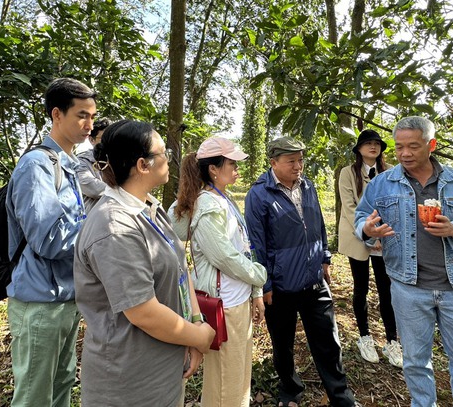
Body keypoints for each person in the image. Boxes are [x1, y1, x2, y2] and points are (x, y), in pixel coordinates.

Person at [73, 120, 215, 407]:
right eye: (164, 153)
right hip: (130, 383)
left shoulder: (149, 208)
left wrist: (195, 321)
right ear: (143, 165)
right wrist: (199, 337)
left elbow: (179, 268)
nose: (169, 160)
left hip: (163, 368)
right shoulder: (115, 228)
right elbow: (143, 312)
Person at [355, 116, 453, 407]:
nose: (405, 154)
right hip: (408, 287)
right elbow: (362, 217)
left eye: (413, 146)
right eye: (399, 147)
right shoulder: (383, 184)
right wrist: (367, 230)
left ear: (431, 145)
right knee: (416, 362)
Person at [245, 137, 358, 407]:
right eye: (291, 161)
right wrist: (266, 285)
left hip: (314, 281)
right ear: (273, 163)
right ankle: (290, 390)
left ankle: (341, 398)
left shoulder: (308, 186)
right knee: (282, 344)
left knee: (328, 342)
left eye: (300, 160)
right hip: (281, 286)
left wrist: (325, 257)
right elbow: (256, 245)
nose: (298, 166)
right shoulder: (259, 194)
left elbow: (318, 223)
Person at [5, 77, 97, 406]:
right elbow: (49, 240)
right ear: (57, 115)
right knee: (34, 396)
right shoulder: (36, 166)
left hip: (66, 299)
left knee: (60, 387)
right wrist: (101, 235)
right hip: (40, 303)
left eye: (92, 116)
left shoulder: (66, 165)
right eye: (81, 115)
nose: (89, 124)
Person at [168, 137, 267, 407]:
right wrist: (259, 276)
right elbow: (223, 255)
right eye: (231, 163)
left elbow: (243, 246)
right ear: (213, 168)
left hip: (236, 299)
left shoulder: (224, 199)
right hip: (225, 304)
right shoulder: (209, 205)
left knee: (236, 377)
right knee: (227, 382)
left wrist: (256, 291)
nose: (237, 168)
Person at [338, 129, 402, 368]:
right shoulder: (347, 173)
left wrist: (381, 232)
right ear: (359, 149)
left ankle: (391, 340)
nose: (373, 147)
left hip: (384, 237)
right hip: (358, 236)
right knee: (361, 286)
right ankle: (365, 336)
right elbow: (349, 206)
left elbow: (396, 204)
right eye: (368, 143)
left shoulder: (390, 173)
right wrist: (368, 232)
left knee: (387, 289)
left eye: (377, 143)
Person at [76, 117, 111, 212]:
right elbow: (91, 186)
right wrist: (123, 193)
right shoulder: (82, 161)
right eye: (104, 138)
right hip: (93, 218)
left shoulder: (117, 161)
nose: (109, 142)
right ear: (91, 140)